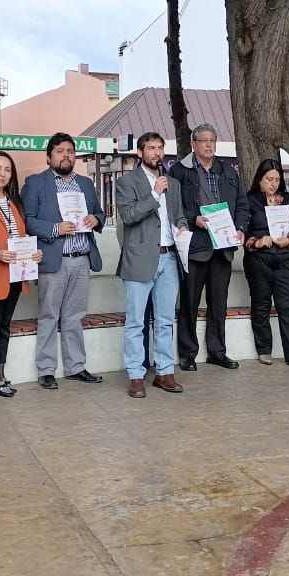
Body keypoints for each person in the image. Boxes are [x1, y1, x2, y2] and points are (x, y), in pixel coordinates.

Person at [22, 132, 106, 389]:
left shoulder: (85, 184)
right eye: (59, 151)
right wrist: (57, 228)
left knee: (75, 316)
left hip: (81, 258)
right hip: (53, 259)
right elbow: (29, 220)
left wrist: (96, 219)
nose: (66, 155)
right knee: (48, 315)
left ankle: (75, 367)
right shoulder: (35, 183)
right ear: (49, 157)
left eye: (70, 151)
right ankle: (46, 369)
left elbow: (99, 213)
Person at [169, 123, 249, 371]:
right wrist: (194, 220)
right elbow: (175, 207)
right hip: (196, 247)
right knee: (190, 302)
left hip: (223, 247)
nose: (208, 144)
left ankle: (217, 351)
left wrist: (241, 228)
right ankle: (188, 354)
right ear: (193, 144)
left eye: (212, 140)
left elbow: (242, 205)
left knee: (218, 303)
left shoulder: (228, 171)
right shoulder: (180, 172)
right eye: (203, 140)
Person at [115, 132, 188, 397]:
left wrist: (182, 227)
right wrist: (154, 195)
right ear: (140, 153)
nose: (157, 153)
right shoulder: (126, 182)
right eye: (151, 148)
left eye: (160, 148)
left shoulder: (174, 184)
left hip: (169, 257)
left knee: (166, 320)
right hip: (140, 259)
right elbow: (129, 215)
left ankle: (164, 371)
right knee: (136, 320)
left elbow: (180, 215)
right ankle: (136, 375)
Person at [0, 151, 41, 397]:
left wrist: (33, 253)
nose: (2, 174)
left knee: (5, 325)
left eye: (7, 169)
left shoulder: (15, 201)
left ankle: (1, 374)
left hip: (16, 272)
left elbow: (21, 236)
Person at [242, 159, 289, 368]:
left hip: (283, 258)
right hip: (258, 259)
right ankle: (264, 349)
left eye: (277, 180)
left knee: (287, 305)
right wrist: (257, 240)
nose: (273, 184)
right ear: (259, 180)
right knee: (261, 304)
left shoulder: (286, 199)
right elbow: (242, 228)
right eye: (269, 179)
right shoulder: (249, 200)